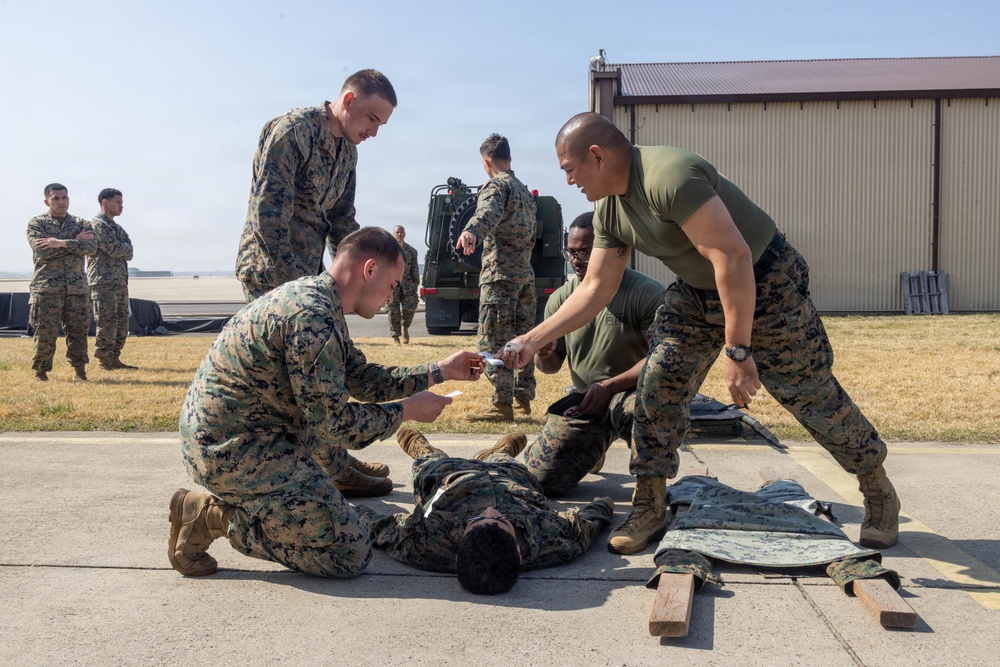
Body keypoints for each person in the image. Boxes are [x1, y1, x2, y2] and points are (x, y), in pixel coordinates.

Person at [500, 113, 900, 555]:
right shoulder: (609, 209)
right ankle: (649, 503)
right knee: (658, 384)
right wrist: (531, 340)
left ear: (597, 156)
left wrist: (738, 349)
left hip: (766, 281)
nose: (569, 180)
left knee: (808, 392)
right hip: (697, 290)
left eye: (569, 169)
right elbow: (596, 287)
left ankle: (877, 489)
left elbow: (733, 257)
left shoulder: (669, 176)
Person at [171, 227, 484, 579]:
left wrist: (439, 371)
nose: (391, 297)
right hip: (231, 451)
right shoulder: (313, 317)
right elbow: (334, 425)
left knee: (319, 419)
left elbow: (361, 378)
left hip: (250, 432)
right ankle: (209, 516)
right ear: (369, 270)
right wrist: (407, 411)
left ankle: (330, 478)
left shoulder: (318, 299)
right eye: (392, 285)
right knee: (347, 552)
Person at [357, 426, 614, 595]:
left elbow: (382, 528)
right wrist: (604, 505)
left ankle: (423, 449)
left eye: (477, 520)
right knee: (506, 462)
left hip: (450, 477)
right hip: (511, 478)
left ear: (459, 551)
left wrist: (355, 512)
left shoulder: (425, 543)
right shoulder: (553, 540)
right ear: (519, 553)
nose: (490, 510)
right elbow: (584, 525)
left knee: (430, 462)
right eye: (501, 521)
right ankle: (499, 452)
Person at [522, 212, 665, 497]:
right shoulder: (561, 299)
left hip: (631, 393)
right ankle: (591, 447)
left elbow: (660, 359)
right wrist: (544, 354)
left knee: (646, 411)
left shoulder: (647, 293)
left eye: (586, 252)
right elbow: (550, 367)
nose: (576, 261)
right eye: (571, 253)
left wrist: (609, 387)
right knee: (542, 482)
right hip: (587, 398)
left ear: (608, 250)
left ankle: (650, 491)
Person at [235, 69, 397, 302]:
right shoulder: (293, 132)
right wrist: (295, 287)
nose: (374, 132)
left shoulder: (348, 152)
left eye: (381, 125)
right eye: (372, 119)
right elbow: (269, 218)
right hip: (270, 274)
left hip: (308, 274)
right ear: (349, 101)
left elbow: (342, 222)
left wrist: (357, 278)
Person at [455, 133, 537, 422]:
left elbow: (488, 211)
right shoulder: (525, 192)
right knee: (522, 339)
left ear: (486, 161)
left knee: (493, 340)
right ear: (509, 158)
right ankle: (522, 400)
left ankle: (501, 404)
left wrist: (471, 231)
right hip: (525, 277)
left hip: (500, 276)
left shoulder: (496, 185)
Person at [26, 183, 97, 382]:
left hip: (77, 288)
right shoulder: (37, 224)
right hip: (47, 287)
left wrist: (61, 242)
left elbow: (91, 247)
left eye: (64, 197)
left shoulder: (81, 223)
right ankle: (41, 372)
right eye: (55, 198)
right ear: (46, 201)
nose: (61, 202)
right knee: (45, 332)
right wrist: (75, 241)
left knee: (78, 332)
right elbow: (42, 251)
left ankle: (80, 371)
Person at [86, 188, 136, 370]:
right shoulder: (97, 225)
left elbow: (130, 252)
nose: (121, 206)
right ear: (105, 203)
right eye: (118, 202)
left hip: (119, 281)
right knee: (107, 321)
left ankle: (114, 357)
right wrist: (121, 248)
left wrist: (121, 248)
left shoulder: (116, 227)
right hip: (103, 281)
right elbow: (114, 249)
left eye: (122, 203)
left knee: (122, 322)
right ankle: (104, 359)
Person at [386, 224, 420, 344]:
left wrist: (415, 284)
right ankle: (395, 336)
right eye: (397, 232)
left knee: (410, 309)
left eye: (401, 232)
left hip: (407, 285)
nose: (399, 234)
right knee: (392, 311)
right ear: (393, 234)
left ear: (404, 234)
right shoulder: (387, 251)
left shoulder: (411, 251)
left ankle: (405, 327)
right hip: (391, 286)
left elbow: (415, 269)